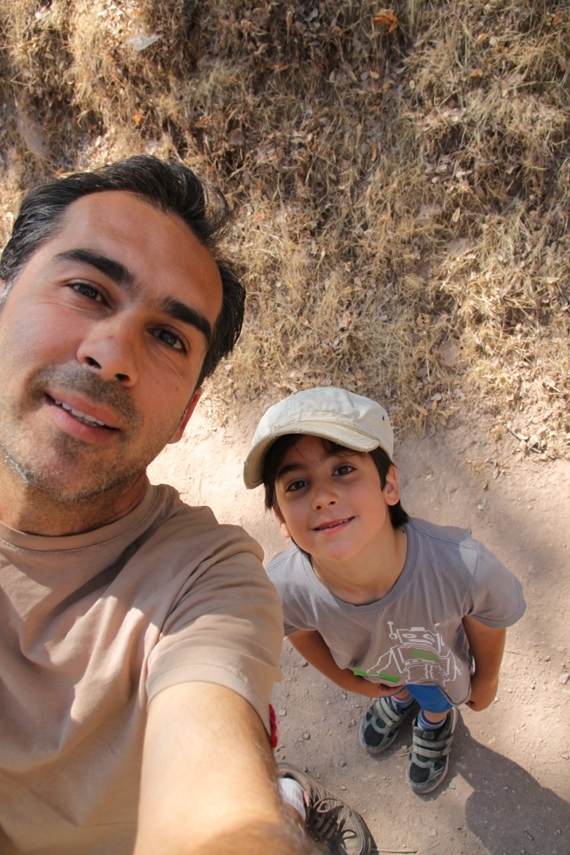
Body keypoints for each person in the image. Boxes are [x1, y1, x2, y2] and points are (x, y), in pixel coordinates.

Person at [0, 155, 354, 855]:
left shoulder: (206, 580)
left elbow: (222, 820)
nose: (113, 353)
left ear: (187, 412)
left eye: (168, 336)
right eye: (87, 288)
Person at [243, 386, 526, 796]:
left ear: (389, 485)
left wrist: (487, 680)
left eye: (342, 470)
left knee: (432, 693)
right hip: (377, 669)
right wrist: (345, 679)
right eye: (297, 485)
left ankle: (433, 719)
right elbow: (298, 629)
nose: (322, 496)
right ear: (281, 519)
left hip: (435, 666)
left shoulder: (464, 567)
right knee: (396, 683)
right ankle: (401, 698)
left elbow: (487, 622)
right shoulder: (284, 588)